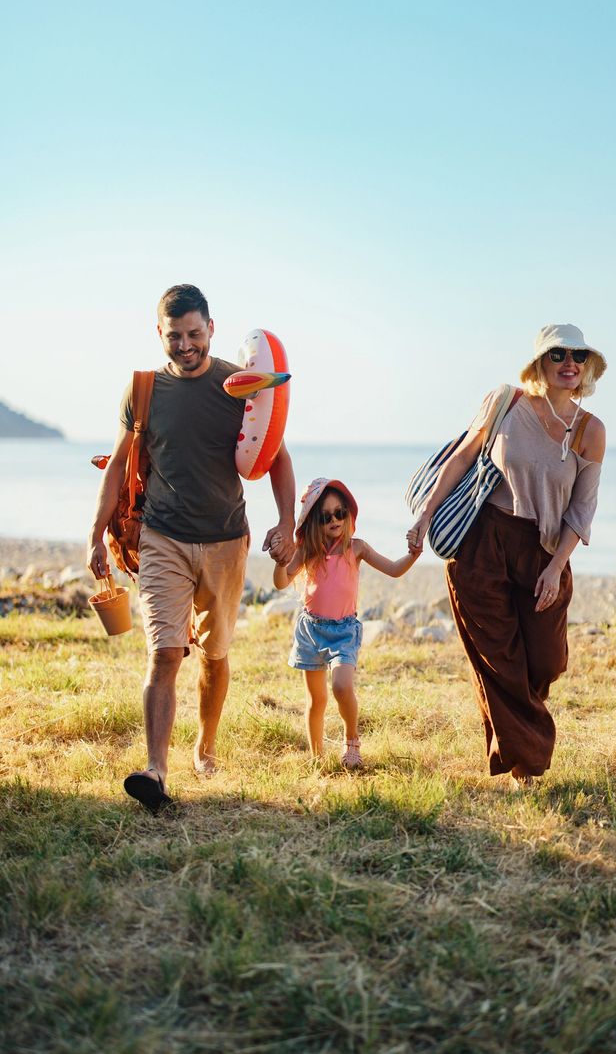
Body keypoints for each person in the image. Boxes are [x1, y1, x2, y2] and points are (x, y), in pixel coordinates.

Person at [87, 284, 296, 814]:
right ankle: (156, 769)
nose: (185, 346)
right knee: (164, 652)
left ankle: (206, 746)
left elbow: (279, 458)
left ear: (211, 329)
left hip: (226, 541)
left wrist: (288, 524)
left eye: (194, 334)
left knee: (216, 654)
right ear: (159, 333)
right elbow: (117, 464)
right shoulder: (143, 391)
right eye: (174, 336)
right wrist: (97, 534)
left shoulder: (239, 385)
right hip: (162, 537)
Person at [407, 324, 607, 787]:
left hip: (544, 551)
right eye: (557, 355)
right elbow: (460, 459)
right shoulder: (506, 402)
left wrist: (556, 568)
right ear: (540, 362)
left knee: (546, 661)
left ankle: (517, 741)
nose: (568, 363)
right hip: (482, 542)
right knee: (499, 658)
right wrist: (424, 516)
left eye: (577, 355)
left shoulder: (590, 432)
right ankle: (525, 764)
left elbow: (582, 509)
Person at [272, 477, 420, 769]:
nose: (335, 520)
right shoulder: (308, 551)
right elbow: (280, 583)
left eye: (340, 513)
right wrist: (280, 561)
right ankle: (316, 757)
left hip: (343, 632)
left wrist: (412, 556)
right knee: (316, 700)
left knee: (341, 685)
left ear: (349, 514)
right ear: (315, 520)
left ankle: (351, 741)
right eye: (327, 516)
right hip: (311, 630)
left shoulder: (357, 548)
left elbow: (393, 569)